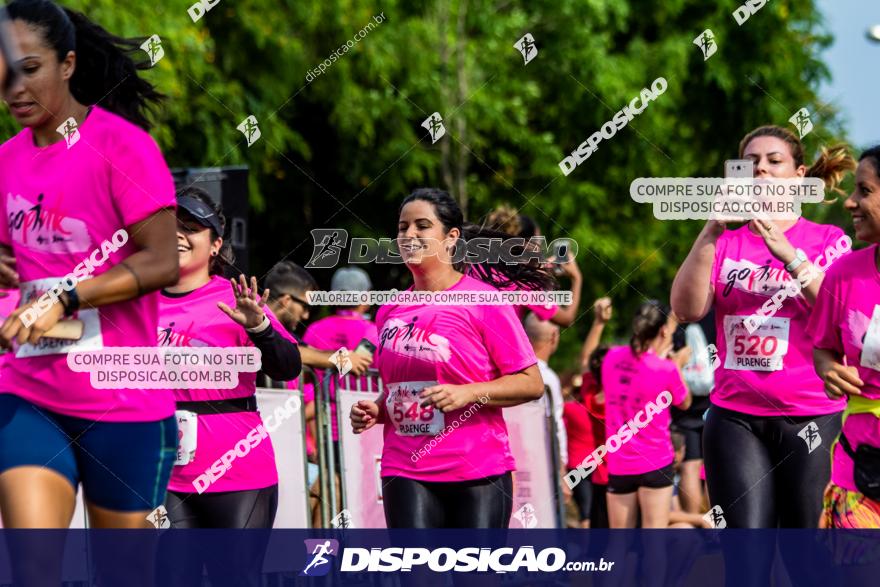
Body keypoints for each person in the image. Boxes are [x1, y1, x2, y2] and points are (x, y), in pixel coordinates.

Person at [0, 0, 179, 534]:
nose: (14, 90)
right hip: (28, 389)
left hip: (123, 400)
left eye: (30, 70)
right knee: (31, 561)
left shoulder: (123, 148)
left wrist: (67, 297)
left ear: (68, 64)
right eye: (4, 75)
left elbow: (162, 260)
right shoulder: (6, 160)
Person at [671, 125, 855, 531]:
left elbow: (840, 316)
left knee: (807, 560)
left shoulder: (829, 239)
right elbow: (685, 310)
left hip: (812, 417)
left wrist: (789, 256)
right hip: (736, 418)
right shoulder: (724, 242)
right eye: (750, 164)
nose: (762, 172)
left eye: (775, 162)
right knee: (746, 560)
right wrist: (710, 229)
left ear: (800, 175)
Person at [350, 188, 545, 528]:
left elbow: (531, 383)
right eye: (402, 227)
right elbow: (402, 391)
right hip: (405, 467)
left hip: (477, 467)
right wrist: (378, 409)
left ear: (451, 238)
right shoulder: (389, 311)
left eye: (422, 226)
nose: (408, 235)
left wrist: (469, 393)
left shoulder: (483, 300)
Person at [159, 187, 301, 529]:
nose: (178, 234)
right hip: (160, 473)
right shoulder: (136, 303)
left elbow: (287, 366)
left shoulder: (237, 300)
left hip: (236, 470)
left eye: (191, 228)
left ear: (215, 246)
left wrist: (260, 328)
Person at [809, 145, 880, 528]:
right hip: (860, 464)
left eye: (864, 191)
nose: (850, 202)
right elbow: (823, 349)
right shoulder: (844, 274)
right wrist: (829, 371)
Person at [602, 300, 691, 528]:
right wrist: (678, 365)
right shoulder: (666, 369)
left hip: (619, 462)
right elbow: (684, 402)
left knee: (618, 544)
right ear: (663, 330)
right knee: (654, 544)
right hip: (655, 461)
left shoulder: (611, 358)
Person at [484, 204, 583, 326]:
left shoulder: (483, 266)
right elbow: (567, 319)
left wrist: (541, 272)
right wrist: (577, 278)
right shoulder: (526, 285)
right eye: (539, 240)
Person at [670, 311, 715, 514]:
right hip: (715, 397)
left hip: (683, 399)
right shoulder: (718, 307)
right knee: (715, 466)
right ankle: (715, 525)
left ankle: (696, 524)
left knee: (690, 464)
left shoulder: (678, 311)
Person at [523, 312, 569, 504]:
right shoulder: (548, 379)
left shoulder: (508, 372)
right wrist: (561, 471)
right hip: (541, 466)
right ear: (554, 336)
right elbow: (554, 426)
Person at [564, 345, 610, 528]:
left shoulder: (574, 408)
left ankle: (588, 551)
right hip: (601, 466)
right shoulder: (616, 402)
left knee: (586, 511)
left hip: (578, 467)